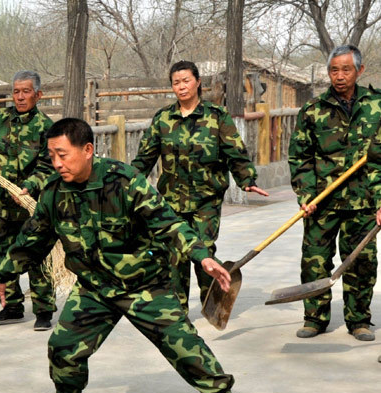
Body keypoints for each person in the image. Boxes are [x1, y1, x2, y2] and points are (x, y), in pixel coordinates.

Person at [0, 118, 247, 393]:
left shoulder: (124, 181)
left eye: (63, 155)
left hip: (144, 285)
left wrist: (201, 256)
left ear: (87, 150)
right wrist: (1, 277)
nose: (57, 163)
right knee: (63, 347)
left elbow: (169, 224)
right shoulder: (54, 192)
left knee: (184, 348)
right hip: (95, 287)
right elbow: (31, 241)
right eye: (52, 156)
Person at [132, 60, 269, 312]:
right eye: (176, 83)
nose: (181, 87)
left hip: (206, 200)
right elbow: (145, 158)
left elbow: (234, 152)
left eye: (186, 81)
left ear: (197, 83)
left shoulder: (216, 117)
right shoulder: (163, 118)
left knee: (203, 252)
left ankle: (213, 303)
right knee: (174, 256)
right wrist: (127, 183)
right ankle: (178, 311)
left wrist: (247, 180)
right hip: (171, 200)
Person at [288, 45, 381, 342]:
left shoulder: (377, 106)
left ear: (360, 71)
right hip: (322, 202)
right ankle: (314, 318)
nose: (339, 76)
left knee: (361, 262)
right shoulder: (313, 110)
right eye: (333, 70)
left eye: (346, 70)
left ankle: (359, 321)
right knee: (315, 260)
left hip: (364, 201)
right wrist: (305, 194)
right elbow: (300, 156)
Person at [0, 70, 57, 330]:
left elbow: (48, 167)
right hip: (3, 206)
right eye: (16, 91)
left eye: (26, 91)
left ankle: (44, 310)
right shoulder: (0, 119)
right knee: (1, 255)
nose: (20, 96)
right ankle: (12, 306)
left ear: (38, 95)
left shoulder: (46, 128)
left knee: (36, 257)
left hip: (31, 207)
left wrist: (28, 187)